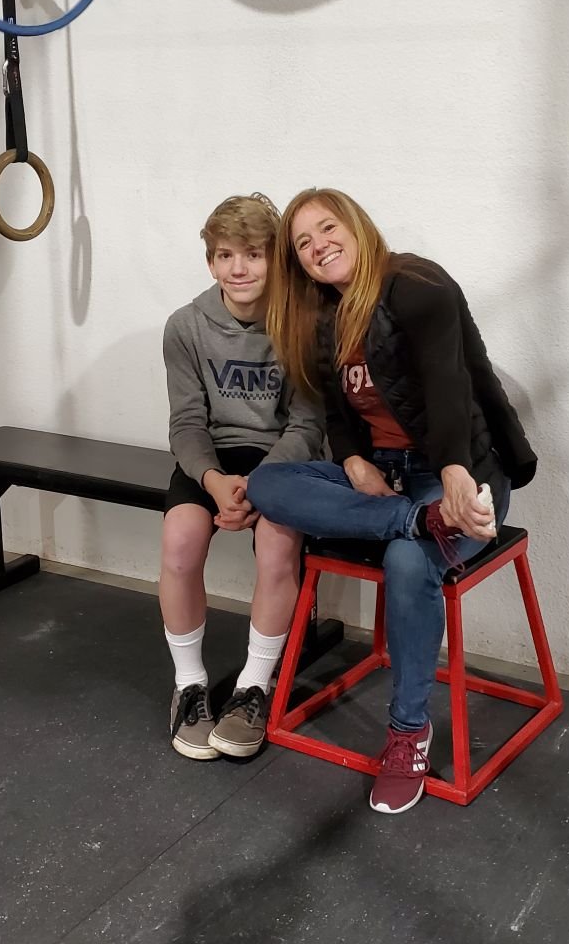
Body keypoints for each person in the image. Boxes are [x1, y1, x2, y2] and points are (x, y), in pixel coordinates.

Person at [247, 188, 537, 814]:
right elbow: (338, 412)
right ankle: (415, 522)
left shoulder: (417, 285)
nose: (319, 246)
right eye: (304, 242)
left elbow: (448, 381)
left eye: (328, 228)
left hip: (460, 473)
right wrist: (353, 459)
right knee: (267, 485)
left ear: (356, 226)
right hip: (389, 483)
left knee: (408, 561)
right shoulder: (322, 317)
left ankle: (408, 733)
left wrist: (454, 470)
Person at [160, 193, 323, 762]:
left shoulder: (301, 323)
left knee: (278, 547)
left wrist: (260, 483)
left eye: (253, 254)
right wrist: (212, 482)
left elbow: (307, 424)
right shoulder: (184, 326)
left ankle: (254, 686)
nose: (239, 268)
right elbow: (186, 423)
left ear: (275, 260)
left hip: (278, 457)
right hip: (211, 459)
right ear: (211, 262)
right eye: (226, 255)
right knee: (180, 543)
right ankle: (188, 684)